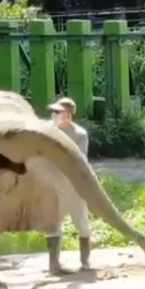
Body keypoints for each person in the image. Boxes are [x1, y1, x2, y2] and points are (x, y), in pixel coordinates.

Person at [45, 97, 92, 274]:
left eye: (58, 111)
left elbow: (79, 160)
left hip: (74, 186)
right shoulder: (48, 131)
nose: (54, 114)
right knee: (52, 224)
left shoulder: (80, 134)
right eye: (54, 111)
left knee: (81, 222)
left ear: (69, 114)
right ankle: (54, 264)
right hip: (53, 186)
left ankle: (85, 262)